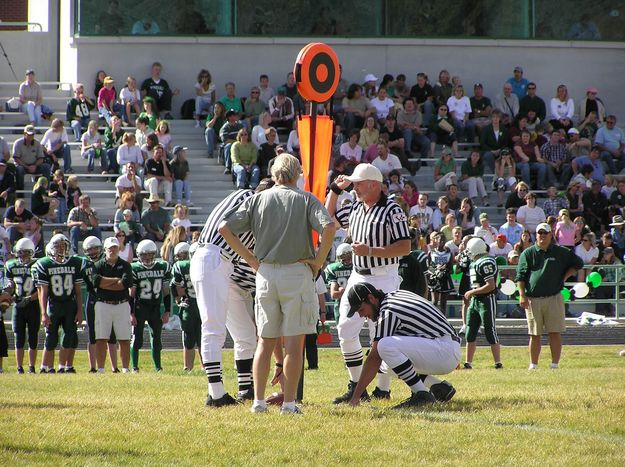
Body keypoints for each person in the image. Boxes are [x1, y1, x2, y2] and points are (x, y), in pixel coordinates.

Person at [220, 154, 336, 414]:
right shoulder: (305, 199)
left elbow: (225, 228)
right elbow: (329, 227)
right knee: (294, 345)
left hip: (265, 273)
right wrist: (318, 261)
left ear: (274, 174)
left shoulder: (257, 199)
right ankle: (289, 403)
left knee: (265, 341)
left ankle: (258, 402)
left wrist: (250, 259)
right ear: (297, 174)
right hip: (297, 272)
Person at [324, 163, 410, 405]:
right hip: (358, 274)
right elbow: (327, 217)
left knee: (380, 334)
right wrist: (334, 190)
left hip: (384, 275)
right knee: (345, 328)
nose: (355, 187)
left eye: (358, 183)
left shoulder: (392, 210)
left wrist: (370, 250)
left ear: (373, 184)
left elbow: (405, 247)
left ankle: (382, 389)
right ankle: (357, 387)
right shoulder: (355, 207)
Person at [189, 187, 262, 407]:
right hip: (214, 259)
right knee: (213, 329)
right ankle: (216, 394)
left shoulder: (243, 196)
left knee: (246, 334)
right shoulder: (251, 200)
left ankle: (245, 388)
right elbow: (225, 229)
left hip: (220, 262)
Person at [346, 283, 460, 409]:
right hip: (444, 346)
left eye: (361, 309)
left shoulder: (388, 311)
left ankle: (421, 395)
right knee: (386, 363)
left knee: (384, 346)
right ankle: (439, 387)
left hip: (443, 349)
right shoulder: (395, 295)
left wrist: (355, 397)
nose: (361, 315)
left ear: (371, 298)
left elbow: (374, 358)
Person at [516, 223, 584, 369]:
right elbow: (520, 277)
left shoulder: (561, 252)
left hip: (554, 297)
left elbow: (578, 263)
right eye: (539, 233)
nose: (542, 235)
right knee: (534, 334)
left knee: (555, 332)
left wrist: (565, 277)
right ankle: (533, 364)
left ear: (551, 235)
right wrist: (522, 295)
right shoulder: (528, 253)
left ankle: (555, 364)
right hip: (533, 298)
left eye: (545, 233)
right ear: (536, 235)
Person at [32, 234, 85, 373]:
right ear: (51, 247)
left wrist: (80, 310)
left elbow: (78, 291)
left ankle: (62, 366)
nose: (61, 249)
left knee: (68, 337)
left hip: (70, 304)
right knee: (51, 337)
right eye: (58, 246)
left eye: (63, 246)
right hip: (53, 304)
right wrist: (43, 313)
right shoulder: (45, 264)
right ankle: (45, 367)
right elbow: (43, 291)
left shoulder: (75, 263)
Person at [89, 237, 133, 373]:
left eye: (115, 247)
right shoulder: (98, 265)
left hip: (122, 304)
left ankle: (125, 368)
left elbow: (125, 284)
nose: (112, 250)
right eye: (110, 248)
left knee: (124, 338)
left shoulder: (125, 265)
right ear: (105, 249)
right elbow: (96, 282)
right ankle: (101, 369)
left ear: (119, 249)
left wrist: (106, 283)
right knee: (101, 338)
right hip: (103, 304)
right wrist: (116, 281)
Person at [129, 240, 171, 372]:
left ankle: (158, 367)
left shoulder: (162, 267)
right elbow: (131, 294)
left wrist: (167, 310)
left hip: (155, 308)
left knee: (157, 338)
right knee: (137, 338)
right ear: (138, 255)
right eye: (144, 255)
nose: (147, 258)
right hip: (140, 307)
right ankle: (134, 367)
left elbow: (166, 292)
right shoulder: (134, 268)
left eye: (150, 254)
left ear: (155, 254)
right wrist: (131, 313)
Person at [463, 237, 503, 370]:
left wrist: (472, 292)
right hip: (476, 300)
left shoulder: (486, 261)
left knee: (489, 330)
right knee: (470, 331)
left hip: (486, 300)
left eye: (469, 249)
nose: (467, 252)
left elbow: (490, 286)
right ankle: (468, 363)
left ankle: (498, 363)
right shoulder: (474, 262)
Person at [4, 238, 39, 373]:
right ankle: (19, 367)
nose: (23, 256)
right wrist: (8, 295)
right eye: (21, 252)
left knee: (33, 337)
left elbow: (41, 289)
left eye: (26, 253)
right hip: (18, 305)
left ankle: (31, 367)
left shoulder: (37, 265)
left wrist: (30, 298)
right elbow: (11, 285)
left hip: (33, 304)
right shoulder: (11, 265)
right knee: (18, 337)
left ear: (31, 252)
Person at [170, 242, 202, 370]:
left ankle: (188, 367)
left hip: (188, 304)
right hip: (203, 304)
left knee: (189, 338)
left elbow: (174, 285)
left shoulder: (181, 266)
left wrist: (178, 299)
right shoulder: (205, 265)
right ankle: (204, 366)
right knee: (202, 337)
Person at [12, 125, 51, 191]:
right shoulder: (17, 143)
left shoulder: (37, 143)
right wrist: (27, 167)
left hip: (35, 165)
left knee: (46, 167)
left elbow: (41, 158)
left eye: (32, 134)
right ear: (24, 134)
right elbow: (16, 158)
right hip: (22, 166)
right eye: (29, 134)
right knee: (19, 169)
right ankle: (20, 190)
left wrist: (35, 166)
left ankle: (45, 189)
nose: (31, 136)